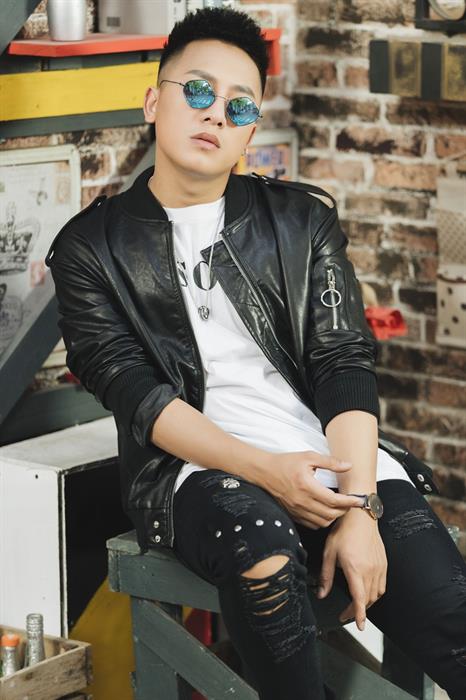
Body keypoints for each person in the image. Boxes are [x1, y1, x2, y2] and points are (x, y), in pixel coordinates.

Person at [45, 7, 466, 700]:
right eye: (197, 91)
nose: (215, 113)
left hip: (338, 461)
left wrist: (360, 508)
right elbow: (138, 396)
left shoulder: (302, 220)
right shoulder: (90, 249)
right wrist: (270, 472)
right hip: (198, 471)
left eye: (238, 105)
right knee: (263, 554)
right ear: (153, 102)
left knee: (448, 608)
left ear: (249, 130)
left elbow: (343, 363)